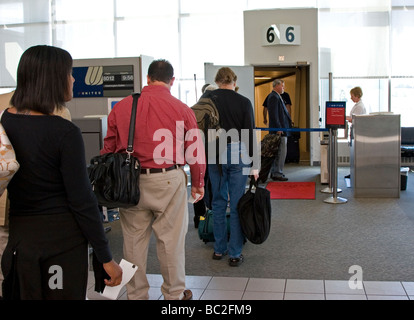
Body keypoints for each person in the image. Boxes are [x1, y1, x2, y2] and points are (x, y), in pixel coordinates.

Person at [0, 45, 122, 300]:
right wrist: (105, 256)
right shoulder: (64, 132)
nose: (73, 79)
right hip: (62, 245)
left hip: (22, 242)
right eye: (69, 73)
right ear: (52, 78)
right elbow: (81, 200)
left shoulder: (6, 121)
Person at [101, 59, 206, 300]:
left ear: (147, 79)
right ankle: (174, 295)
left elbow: (108, 149)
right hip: (169, 179)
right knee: (170, 243)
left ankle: (136, 295)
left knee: (133, 244)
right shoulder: (182, 109)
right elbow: (195, 152)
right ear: (172, 81)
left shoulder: (123, 107)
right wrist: (198, 182)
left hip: (130, 183)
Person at [206, 67, 258, 267]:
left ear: (217, 81)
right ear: (234, 82)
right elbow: (249, 132)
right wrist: (254, 164)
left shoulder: (209, 101)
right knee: (237, 203)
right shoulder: (243, 102)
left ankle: (219, 249)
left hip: (214, 151)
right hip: (238, 151)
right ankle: (235, 253)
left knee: (218, 201)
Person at [192, 83, 217, 228]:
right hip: (213, 154)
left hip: (196, 155)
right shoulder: (216, 110)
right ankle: (212, 218)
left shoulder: (192, 109)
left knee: (197, 186)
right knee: (213, 185)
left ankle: (199, 219)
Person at [263, 79, 292, 181]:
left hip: (281, 128)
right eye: (282, 86)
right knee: (281, 152)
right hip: (279, 130)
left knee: (280, 152)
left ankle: (277, 172)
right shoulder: (273, 97)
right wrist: (278, 128)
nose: (283, 88)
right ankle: (277, 173)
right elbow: (274, 114)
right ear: (277, 86)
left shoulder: (276, 96)